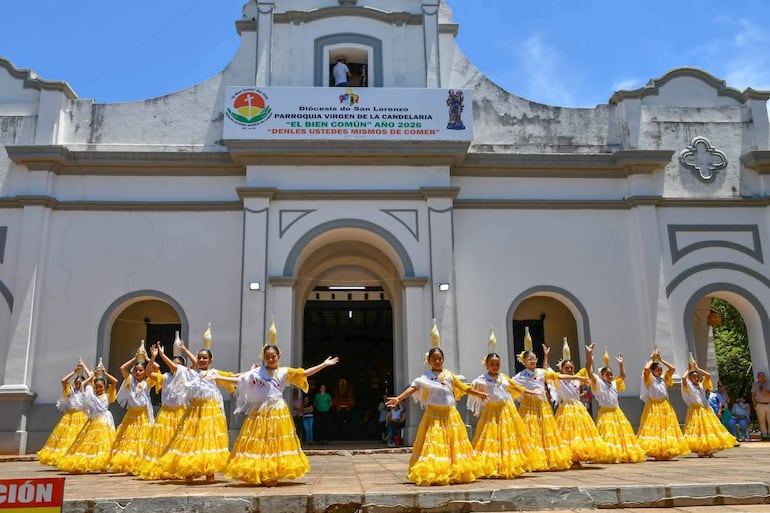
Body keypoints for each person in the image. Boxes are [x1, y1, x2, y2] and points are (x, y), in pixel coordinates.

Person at [223, 344, 339, 486]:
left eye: (273, 356)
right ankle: (261, 471)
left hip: (277, 410)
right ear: (264, 358)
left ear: (279, 356)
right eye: (267, 357)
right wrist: (219, 378)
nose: (271, 359)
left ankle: (273, 473)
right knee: (260, 441)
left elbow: (304, 374)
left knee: (275, 442)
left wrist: (324, 364)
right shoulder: (258, 372)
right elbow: (240, 380)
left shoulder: (284, 371)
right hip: (260, 409)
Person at [386, 336, 488, 486]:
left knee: (453, 444)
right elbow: (413, 388)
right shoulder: (425, 377)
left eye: (440, 359)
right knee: (434, 443)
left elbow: (462, 387)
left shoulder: (449, 375)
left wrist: (478, 394)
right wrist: (399, 399)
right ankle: (434, 471)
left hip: (450, 414)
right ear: (429, 361)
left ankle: (453, 470)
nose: (437, 361)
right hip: (434, 415)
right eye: (434, 359)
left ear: (443, 360)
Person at [157, 347, 234, 483]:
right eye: (199, 357)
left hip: (210, 411)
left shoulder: (214, 373)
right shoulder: (191, 373)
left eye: (205, 358)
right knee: (190, 439)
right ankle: (189, 469)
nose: (202, 360)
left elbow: (231, 377)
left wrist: (253, 373)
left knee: (209, 440)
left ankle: (209, 471)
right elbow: (175, 367)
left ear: (210, 360)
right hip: (194, 410)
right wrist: (163, 355)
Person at [467, 352, 532, 479]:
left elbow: (518, 388)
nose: (495, 366)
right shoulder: (481, 379)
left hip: (505, 412)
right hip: (491, 412)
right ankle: (491, 465)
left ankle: (505, 464)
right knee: (490, 438)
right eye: (492, 364)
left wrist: (533, 392)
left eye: (497, 364)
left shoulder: (504, 378)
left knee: (506, 438)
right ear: (487, 365)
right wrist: (480, 395)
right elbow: (472, 391)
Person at [136, 342, 194, 480]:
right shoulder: (166, 377)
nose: (173, 366)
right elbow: (149, 373)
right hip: (166, 414)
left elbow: (196, 364)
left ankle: (180, 467)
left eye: (177, 364)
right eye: (172, 363)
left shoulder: (187, 375)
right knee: (162, 441)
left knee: (180, 442)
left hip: (181, 413)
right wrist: (153, 357)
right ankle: (163, 467)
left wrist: (184, 350)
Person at [512, 345, 574, 471]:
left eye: (535, 359)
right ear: (524, 361)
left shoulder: (541, 372)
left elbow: (556, 377)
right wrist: (526, 393)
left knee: (545, 432)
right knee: (531, 431)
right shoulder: (519, 376)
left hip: (542, 406)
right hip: (529, 406)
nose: (533, 361)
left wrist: (576, 377)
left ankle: (546, 458)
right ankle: (532, 459)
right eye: (530, 359)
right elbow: (512, 387)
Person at [584, 344, 646, 464]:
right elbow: (588, 370)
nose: (610, 376)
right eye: (607, 375)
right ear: (602, 376)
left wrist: (620, 364)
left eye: (611, 374)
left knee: (621, 433)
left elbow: (623, 376)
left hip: (616, 411)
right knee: (608, 434)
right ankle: (609, 453)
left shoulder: (614, 383)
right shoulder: (598, 383)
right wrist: (589, 355)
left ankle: (622, 453)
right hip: (606, 412)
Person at [57, 363, 119, 473]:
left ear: (104, 387)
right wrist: (90, 375)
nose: (99, 388)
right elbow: (84, 385)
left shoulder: (107, 395)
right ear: (94, 387)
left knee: (104, 443)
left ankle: (104, 465)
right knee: (90, 443)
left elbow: (115, 382)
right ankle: (91, 463)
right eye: (97, 386)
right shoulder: (91, 395)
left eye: (101, 387)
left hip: (105, 421)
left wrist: (104, 373)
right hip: (94, 421)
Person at [551, 357, 610, 466]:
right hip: (566, 407)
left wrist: (589, 354)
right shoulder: (559, 379)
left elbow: (587, 368)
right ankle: (569, 456)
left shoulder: (576, 380)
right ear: (562, 369)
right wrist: (546, 356)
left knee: (579, 432)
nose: (569, 370)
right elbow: (547, 369)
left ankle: (577, 456)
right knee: (567, 432)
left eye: (571, 368)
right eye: (567, 368)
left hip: (578, 407)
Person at [108, 347, 158, 474]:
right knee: (128, 439)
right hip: (131, 415)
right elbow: (122, 368)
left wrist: (149, 358)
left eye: (141, 370)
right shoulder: (130, 381)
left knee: (142, 439)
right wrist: (135, 358)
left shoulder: (148, 382)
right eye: (136, 371)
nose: (139, 373)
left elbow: (156, 369)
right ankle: (128, 463)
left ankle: (140, 462)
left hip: (143, 415)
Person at [636, 349, 690, 460]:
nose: (660, 372)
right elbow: (646, 369)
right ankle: (656, 451)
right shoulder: (649, 378)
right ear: (652, 371)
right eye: (658, 370)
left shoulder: (664, 378)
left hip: (665, 405)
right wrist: (652, 359)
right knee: (655, 428)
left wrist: (661, 360)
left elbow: (672, 369)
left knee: (666, 428)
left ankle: (666, 449)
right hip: (654, 406)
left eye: (661, 370)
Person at [37, 359, 91, 467]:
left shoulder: (85, 391)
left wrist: (84, 367)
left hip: (80, 416)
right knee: (65, 438)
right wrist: (74, 372)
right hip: (69, 417)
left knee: (78, 438)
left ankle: (76, 458)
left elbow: (91, 377)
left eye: (79, 383)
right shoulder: (70, 390)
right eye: (76, 383)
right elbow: (63, 380)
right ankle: (63, 458)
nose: (77, 385)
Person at [681, 361, 736, 457]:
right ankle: (700, 449)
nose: (696, 378)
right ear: (690, 378)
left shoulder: (702, 385)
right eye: (694, 377)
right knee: (698, 430)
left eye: (697, 376)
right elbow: (683, 378)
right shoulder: (689, 386)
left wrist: (697, 369)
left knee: (708, 429)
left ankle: (709, 448)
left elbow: (708, 375)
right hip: (695, 410)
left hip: (705, 409)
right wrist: (689, 370)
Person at [752, 372, 770, 440]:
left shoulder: (769, 383)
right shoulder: (755, 384)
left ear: (765, 377)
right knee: (761, 420)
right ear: (758, 377)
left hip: (769, 404)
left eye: (763, 376)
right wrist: (754, 405)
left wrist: (764, 390)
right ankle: (764, 435)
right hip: (759, 404)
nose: (761, 378)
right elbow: (753, 395)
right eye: (760, 376)